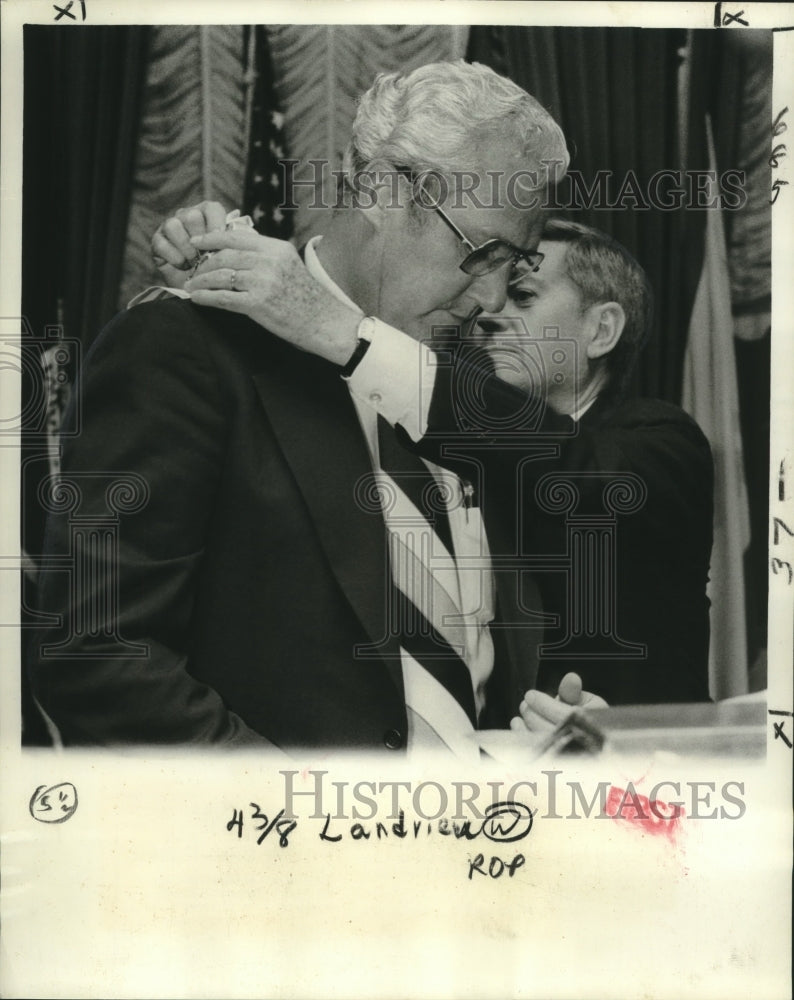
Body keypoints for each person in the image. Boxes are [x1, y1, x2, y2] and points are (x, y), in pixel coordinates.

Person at [28, 60, 584, 752]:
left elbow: (568, 467)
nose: (496, 299)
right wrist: (312, 821)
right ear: (383, 190)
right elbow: (100, 659)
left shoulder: (448, 377)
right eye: (483, 252)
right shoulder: (186, 346)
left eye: (520, 263)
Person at [156, 215, 714, 711]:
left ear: (601, 330)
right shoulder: (448, 445)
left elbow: (559, 465)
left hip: (644, 795)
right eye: (483, 287)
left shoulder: (662, 442)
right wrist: (221, 274)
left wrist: (340, 329)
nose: (491, 310)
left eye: (523, 297)